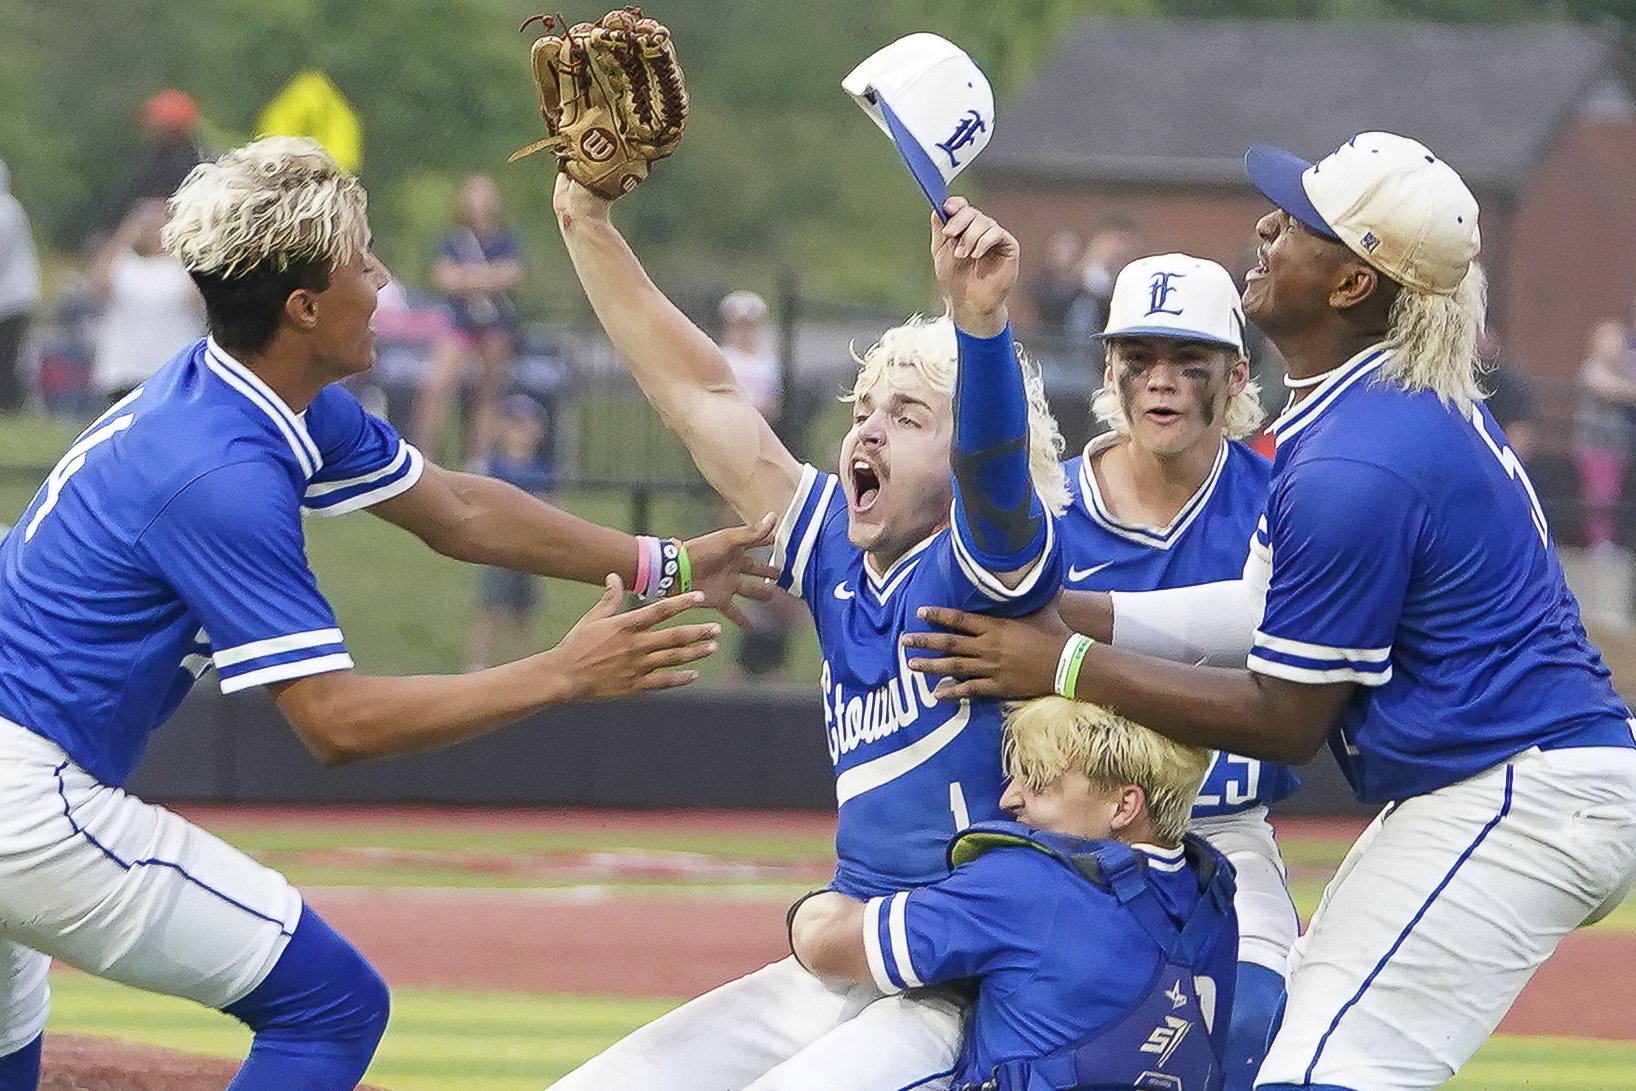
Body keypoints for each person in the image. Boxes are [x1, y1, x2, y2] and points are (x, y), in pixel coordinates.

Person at [0, 135, 776, 1091]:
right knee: (331, 1006)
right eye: (364, 261)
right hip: (24, 802)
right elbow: (335, 723)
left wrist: (661, 561)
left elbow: (454, 507)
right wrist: (561, 673)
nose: (387, 279)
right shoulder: (220, 471)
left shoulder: (255, 394)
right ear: (304, 307)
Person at [903, 131, 1636, 1091]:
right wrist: (1064, 613)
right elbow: (1255, 607)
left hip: (1518, 793)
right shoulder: (1363, 412)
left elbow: (1286, 720)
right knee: (1298, 1053)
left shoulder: (1355, 457)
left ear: (1351, 285)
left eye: (1298, 221)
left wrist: (1061, 666)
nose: (1266, 225)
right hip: (1508, 782)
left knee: (1323, 1072)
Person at [549, 170, 1067, 1090]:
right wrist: (584, 222)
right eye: (863, 410)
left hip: (966, 980)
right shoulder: (837, 547)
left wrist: (978, 322)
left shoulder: (986, 563)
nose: (867, 430)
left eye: (908, 417)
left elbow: (993, 465)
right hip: (850, 955)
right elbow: (700, 396)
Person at [1064, 252, 1296, 1091]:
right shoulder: (1047, 511)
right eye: (1140, 361)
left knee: (1249, 1017)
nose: (1160, 382)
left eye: (1187, 364)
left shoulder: (1286, 499)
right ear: (1110, 371)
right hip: (1070, 837)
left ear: (1235, 376)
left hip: (1225, 827)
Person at [789, 695, 1237, 1091]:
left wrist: (808, 910)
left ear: (1124, 806)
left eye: (1038, 781)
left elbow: (830, 943)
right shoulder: (1212, 894)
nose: (1009, 799)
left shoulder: (1028, 881)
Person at [414, 174, 525, 465]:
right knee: (437, 386)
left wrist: (467, 278)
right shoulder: (453, 240)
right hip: (460, 321)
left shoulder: (504, 238)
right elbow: (444, 279)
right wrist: (488, 278)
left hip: (495, 323)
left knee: (488, 390)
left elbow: (512, 275)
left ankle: (480, 459)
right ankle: (425, 454)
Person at [467, 393, 556, 671]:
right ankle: (478, 663)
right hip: (499, 549)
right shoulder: (492, 467)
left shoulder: (542, 470)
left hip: (530, 550)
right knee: (492, 607)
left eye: (527, 426)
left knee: (524, 610)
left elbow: (553, 507)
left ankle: (523, 662)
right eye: (514, 425)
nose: (520, 433)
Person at [87, 197, 207, 404]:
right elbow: (98, 285)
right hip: (124, 369)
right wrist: (123, 237)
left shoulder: (182, 268)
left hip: (171, 369)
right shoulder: (124, 264)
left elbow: (197, 298)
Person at [100, 88, 208, 236]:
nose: (151, 129)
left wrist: (107, 231)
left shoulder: (183, 165)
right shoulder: (159, 156)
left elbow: (136, 196)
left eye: (157, 124)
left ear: (172, 129)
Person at [1572, 319, 1636, 554]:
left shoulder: (1623, 368)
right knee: (1599, 493)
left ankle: (1607, 539)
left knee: (1613, 492)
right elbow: (1610, 391)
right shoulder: (1591, 368)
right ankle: (1598, 541)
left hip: (1617, 443)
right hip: (1593, 442)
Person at [0, 158, 41, 412]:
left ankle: (8, 405)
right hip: (13, 296)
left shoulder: (5, 211)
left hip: (11, 299)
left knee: (7, 358)